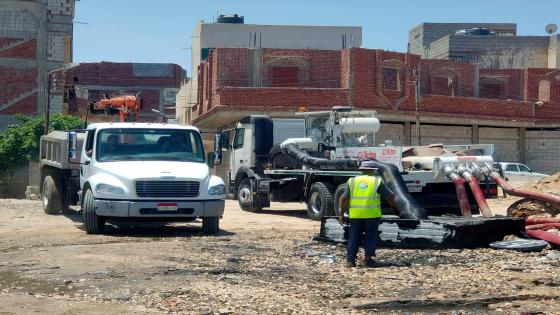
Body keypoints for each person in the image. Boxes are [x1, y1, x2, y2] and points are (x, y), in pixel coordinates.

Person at [339, 160, 394, 268]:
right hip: (372, 215)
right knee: (370, 237)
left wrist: (341, 214)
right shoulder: (377, 181)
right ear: (372, 170)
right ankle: (368, 260)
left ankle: (350, 260)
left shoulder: (352, 181)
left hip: (356, 215)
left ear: (362, 170)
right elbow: (389, 196)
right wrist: (393, 207)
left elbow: (344, 198)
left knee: (354, 237)